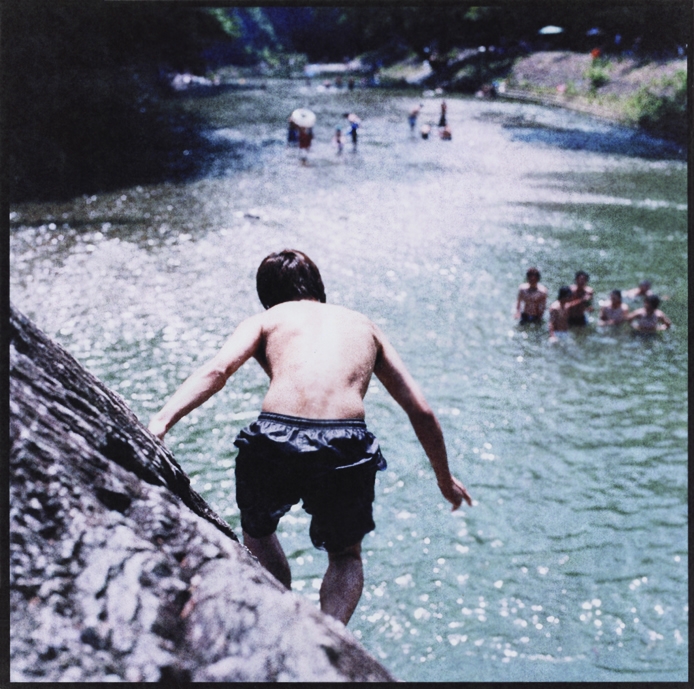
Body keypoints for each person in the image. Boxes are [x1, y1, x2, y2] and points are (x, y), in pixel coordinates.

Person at [147, 249, 472, 626]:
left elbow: (218, 370)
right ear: (318, 286)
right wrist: (444, 479)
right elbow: (421, 410)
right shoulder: (364, 326)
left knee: (258, 531)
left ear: (266, 295)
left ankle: (279, 612)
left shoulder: (267, 319)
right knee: (345, 557)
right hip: (345, 445)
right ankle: (329, 635)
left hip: (275, 436)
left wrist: (161, 422)